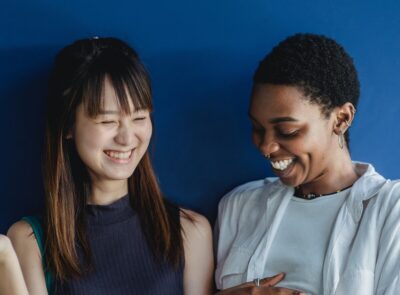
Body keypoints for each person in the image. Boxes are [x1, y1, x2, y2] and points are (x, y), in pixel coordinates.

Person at [7, 37, 213, 294]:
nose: (127, 138)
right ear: (68, 126)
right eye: (108, 121)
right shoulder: (30, 240)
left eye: (139, 117)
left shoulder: (190, 231)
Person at [214, 33, 400, 295]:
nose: (266, 147)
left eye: (287, 131)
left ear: (341, 119)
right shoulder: (239, 206)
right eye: (257, 128)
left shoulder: (391, 210)